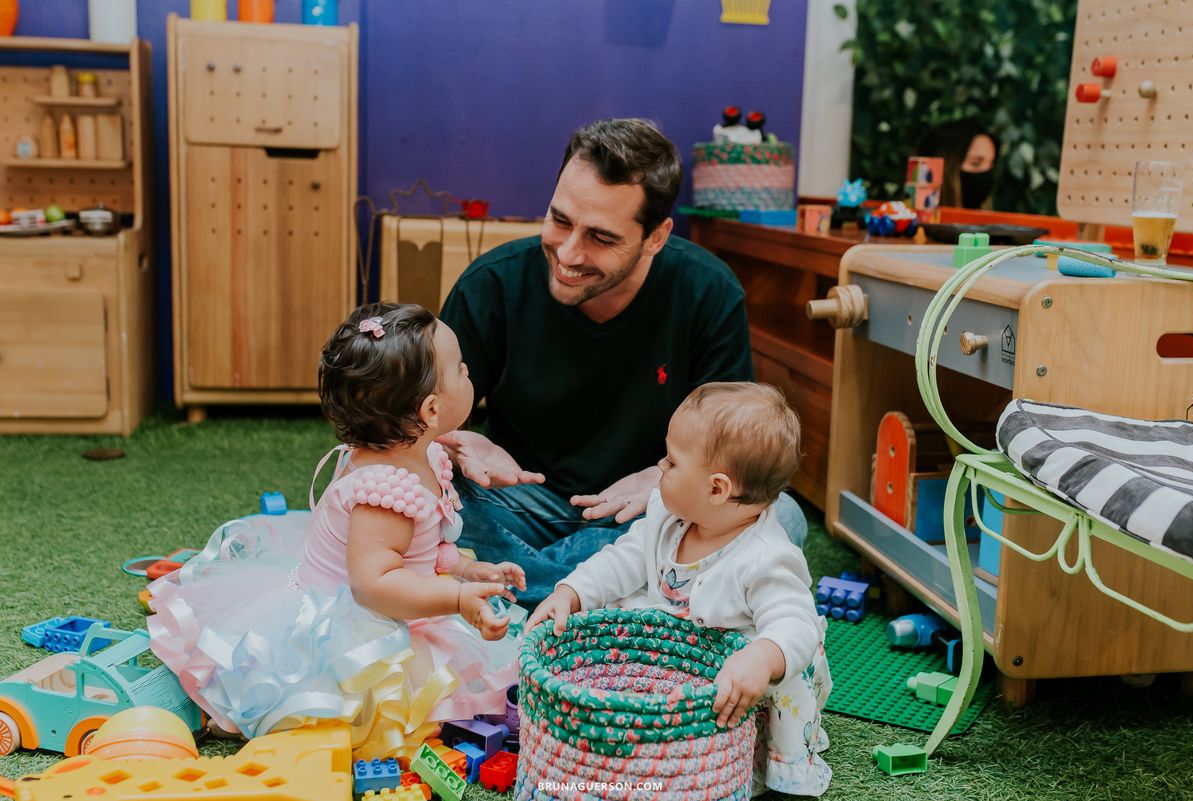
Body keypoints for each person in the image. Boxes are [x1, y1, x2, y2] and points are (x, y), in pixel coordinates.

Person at [437, 118, 809, 606]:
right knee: (407, 484)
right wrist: (453, 446)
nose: (568, 253)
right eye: (560, 220)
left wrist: (660, 479)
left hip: (658, 511)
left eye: (601, 238)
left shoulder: (708, 293)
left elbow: (736, 449)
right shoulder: (490, 286)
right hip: (518, 502)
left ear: (655, 236)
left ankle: (516, 585)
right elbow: (411, 426)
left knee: (780, 515)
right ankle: (625, 594)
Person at [148, 303, 522, 761]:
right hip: (348, 623)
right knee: (384, 705)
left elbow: (423, 552)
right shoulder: (385, 492)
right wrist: (457, 600)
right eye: (462, 369)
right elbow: (374, 586)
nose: (469, 373)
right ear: (431, 409)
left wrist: (468, 568)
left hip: (391, 601)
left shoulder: (420, 455)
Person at [527, 382, 832, 797]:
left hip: (733, 689)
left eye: (670, 462)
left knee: (779, 671)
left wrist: (761, 658)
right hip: (670, 659)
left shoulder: (766, 557)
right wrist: (571, 593)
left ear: (717, 489)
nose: (659, 465)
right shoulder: (669, 517)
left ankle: (762, 761)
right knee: (617, 611)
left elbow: (796, 623)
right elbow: (622, 559)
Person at [915, 119, 997, 209]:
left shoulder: (994, 221)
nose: (986, 172)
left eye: (991, 165)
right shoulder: (908, 220)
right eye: (975, 164)